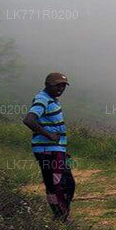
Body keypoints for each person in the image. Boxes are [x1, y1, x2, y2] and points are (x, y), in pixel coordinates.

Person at [22, 72, 74, 221]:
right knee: (58, 183)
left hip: (56, 149)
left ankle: (62, 214)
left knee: (65, 183)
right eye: (58, 85)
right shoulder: (42, 99)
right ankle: (61, 216)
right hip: (47, 151)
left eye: (64, 85)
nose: (61, 88)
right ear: (47, 85)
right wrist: (49, 136)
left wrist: (62, 150)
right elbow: (29, 120)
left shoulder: (53, 100)